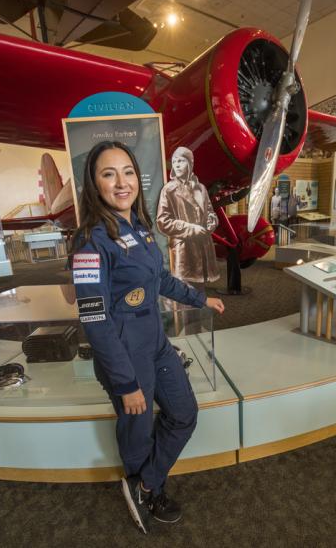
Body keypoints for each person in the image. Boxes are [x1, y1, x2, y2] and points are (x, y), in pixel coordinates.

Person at [71, 141, 224, 535]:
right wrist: (126, 382)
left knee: (184, 414)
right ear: (94, 183)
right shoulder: (90, 242)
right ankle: (148, 492)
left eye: (128, 172)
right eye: (109, 174)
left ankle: (145, 483)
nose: (122, 182)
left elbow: (161, 280)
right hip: (125, 357)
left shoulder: (139, 228)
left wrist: (200, 297)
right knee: (137, 433)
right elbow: (95, 320)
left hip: (156, 345)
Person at [156, 146, 219, 284]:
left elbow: (210, 211)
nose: (177, 165)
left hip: (204, 249)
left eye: (181, 161)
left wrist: (211, 221)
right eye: (174, 161)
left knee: (201, 293)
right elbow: (162, 221)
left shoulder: (201, 188)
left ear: (190, 163)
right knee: (183, 292)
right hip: (184, 251)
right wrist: (191, 228)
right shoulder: (169, 190)